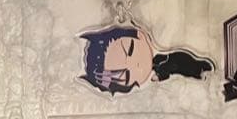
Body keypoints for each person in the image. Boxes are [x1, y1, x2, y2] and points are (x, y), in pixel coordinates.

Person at [79, 25, 212, 96]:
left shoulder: (166, 39)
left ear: (140, 34)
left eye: (130, 50)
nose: (135, 64)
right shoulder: (159, 78)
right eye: (127, 76)